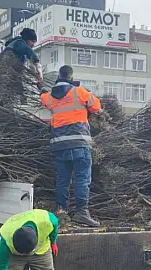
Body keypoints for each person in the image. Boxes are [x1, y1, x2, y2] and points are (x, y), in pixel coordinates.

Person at [40, 65, 102, 227]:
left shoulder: (51, 97)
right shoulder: (79, 92)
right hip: (79, 143)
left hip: (59, 145)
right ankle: (82, 212)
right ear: (71, 77)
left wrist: (42, 88)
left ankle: (61, 211)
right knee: (82, 178)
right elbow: (96, 107)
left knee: (63, 179)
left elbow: (43, 97)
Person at [0, 28, 42, 106]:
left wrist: (22, 94)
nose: (33, 45)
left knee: (1, 106)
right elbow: (27, 50)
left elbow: (17, 75)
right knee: (5, 105)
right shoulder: (19, 43)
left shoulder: (17, 53)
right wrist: (37, 62)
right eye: (32, 41)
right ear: (26, 39)